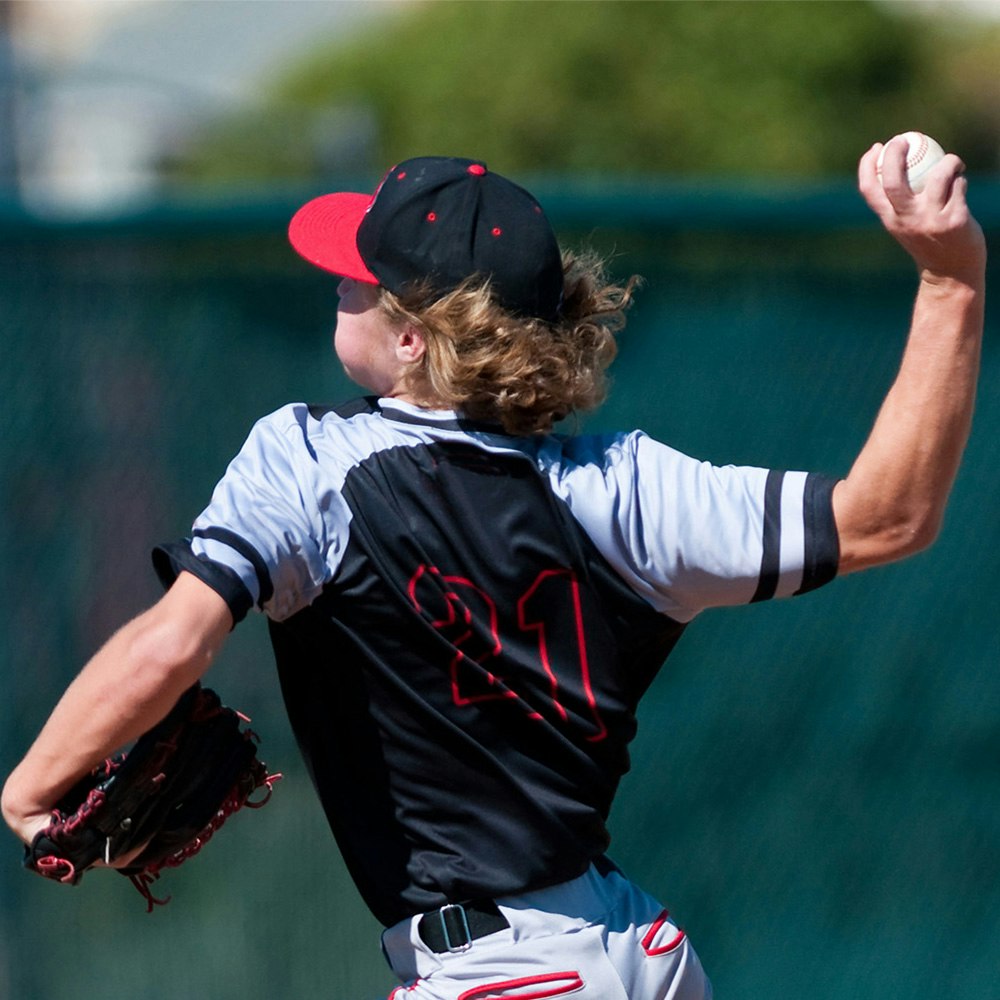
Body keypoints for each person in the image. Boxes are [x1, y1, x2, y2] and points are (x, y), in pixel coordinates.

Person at [2, 142, 986, 1000]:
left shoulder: (309, 465)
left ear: (408, 338)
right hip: (638, 950)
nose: (335, 284)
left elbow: (172, 642)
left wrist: (33, 787)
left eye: (356, 277)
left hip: (500, 974)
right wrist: (949, 284)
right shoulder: (621, 489)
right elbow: (887, 516)